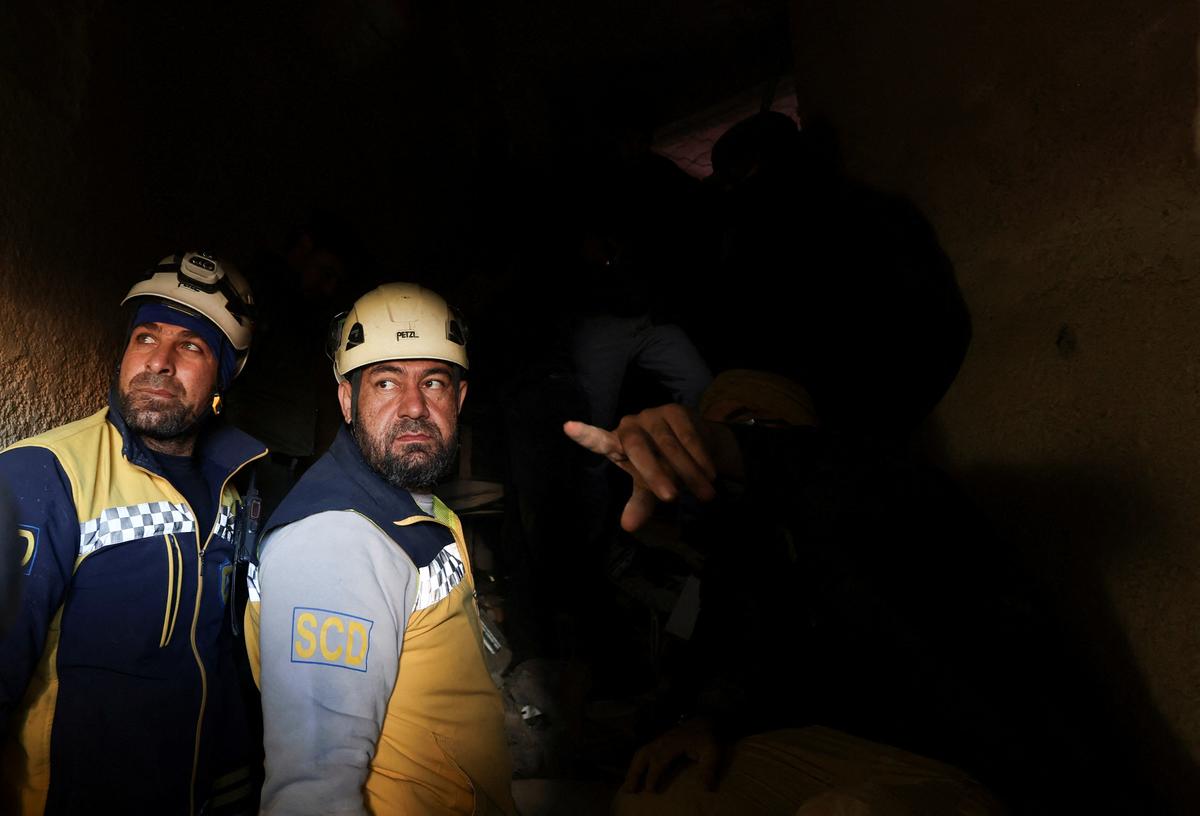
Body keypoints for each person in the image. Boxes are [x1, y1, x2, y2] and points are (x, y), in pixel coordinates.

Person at [0, 251, 267, 814]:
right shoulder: (42, 475)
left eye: (191, 346)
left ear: (224, 374)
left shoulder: (236, 491)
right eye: (145, 337)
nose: (159, 362)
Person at [245, 283, 516, 815]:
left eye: (433, 382)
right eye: (386, 382)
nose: (414, 407)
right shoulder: (334, 540)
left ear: (459, 399)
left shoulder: (410, 503)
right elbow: (312, 793)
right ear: (347, 401)